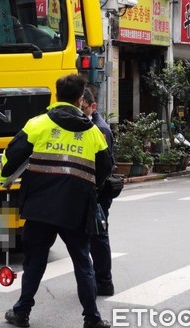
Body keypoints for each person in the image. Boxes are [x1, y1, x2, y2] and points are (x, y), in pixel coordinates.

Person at [0, 74, 113, 328]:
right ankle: (91, 319)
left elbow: (12, 155)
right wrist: (90, 187)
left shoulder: (37, 124)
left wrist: (4, 178)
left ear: (56, 94)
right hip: (75, 208)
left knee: (34, 261)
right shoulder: (93, 132)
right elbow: (106, 167)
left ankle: (22, 311)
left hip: (39, 207)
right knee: (83, 262)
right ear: (80, 98)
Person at [82, 87, 116, 297]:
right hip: (91, 190)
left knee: (98, 236)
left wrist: (93, 191)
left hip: (98, 192)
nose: (80, 111)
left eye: (83, 108)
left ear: (92, 107)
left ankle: (104, 281)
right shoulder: (87, 126)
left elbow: (104, 165)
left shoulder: (100, 129)